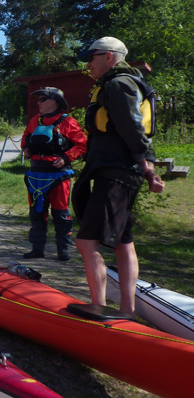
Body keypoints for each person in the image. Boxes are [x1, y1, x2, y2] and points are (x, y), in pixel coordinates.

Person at [73, 37, 165, 314]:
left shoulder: (118, 84)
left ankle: (100, 308)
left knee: (86, 241)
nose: (88, 64)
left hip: (117, 171)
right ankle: (127, 310)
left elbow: (132, 127)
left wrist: (148, 165)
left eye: (92, 57)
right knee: (123, 240)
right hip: (116, 170)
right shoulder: (119, 83)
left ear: (110, 57)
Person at [21, 87, 87, 261]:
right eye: (39, 99)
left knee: (61, 214)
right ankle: (37, 249)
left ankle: (63, 251)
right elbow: (26, 136)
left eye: (42, 99)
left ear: (54, 101)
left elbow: (82, 144)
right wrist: (26, 148)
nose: (38, 103)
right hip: (36, 174)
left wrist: (66, 158)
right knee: (36, 212)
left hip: (58, 175)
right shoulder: (36, 120)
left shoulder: (69, 122)